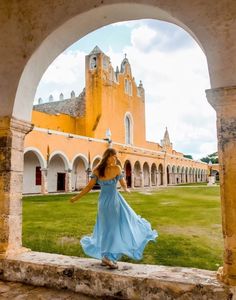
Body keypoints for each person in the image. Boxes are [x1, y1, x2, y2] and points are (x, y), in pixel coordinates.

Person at [70, 148, 158, 269]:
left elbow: (123, 184)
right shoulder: (100, 170)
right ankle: (107, 257)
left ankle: (106, 256)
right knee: (109, 228)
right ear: (108, 156)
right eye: (114, 156)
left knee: (110, 228)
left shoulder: (113, 168)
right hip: (109, 203)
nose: (116, 158)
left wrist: (126, 189)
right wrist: (76, 197)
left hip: (110, 202)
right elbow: (89, 187)